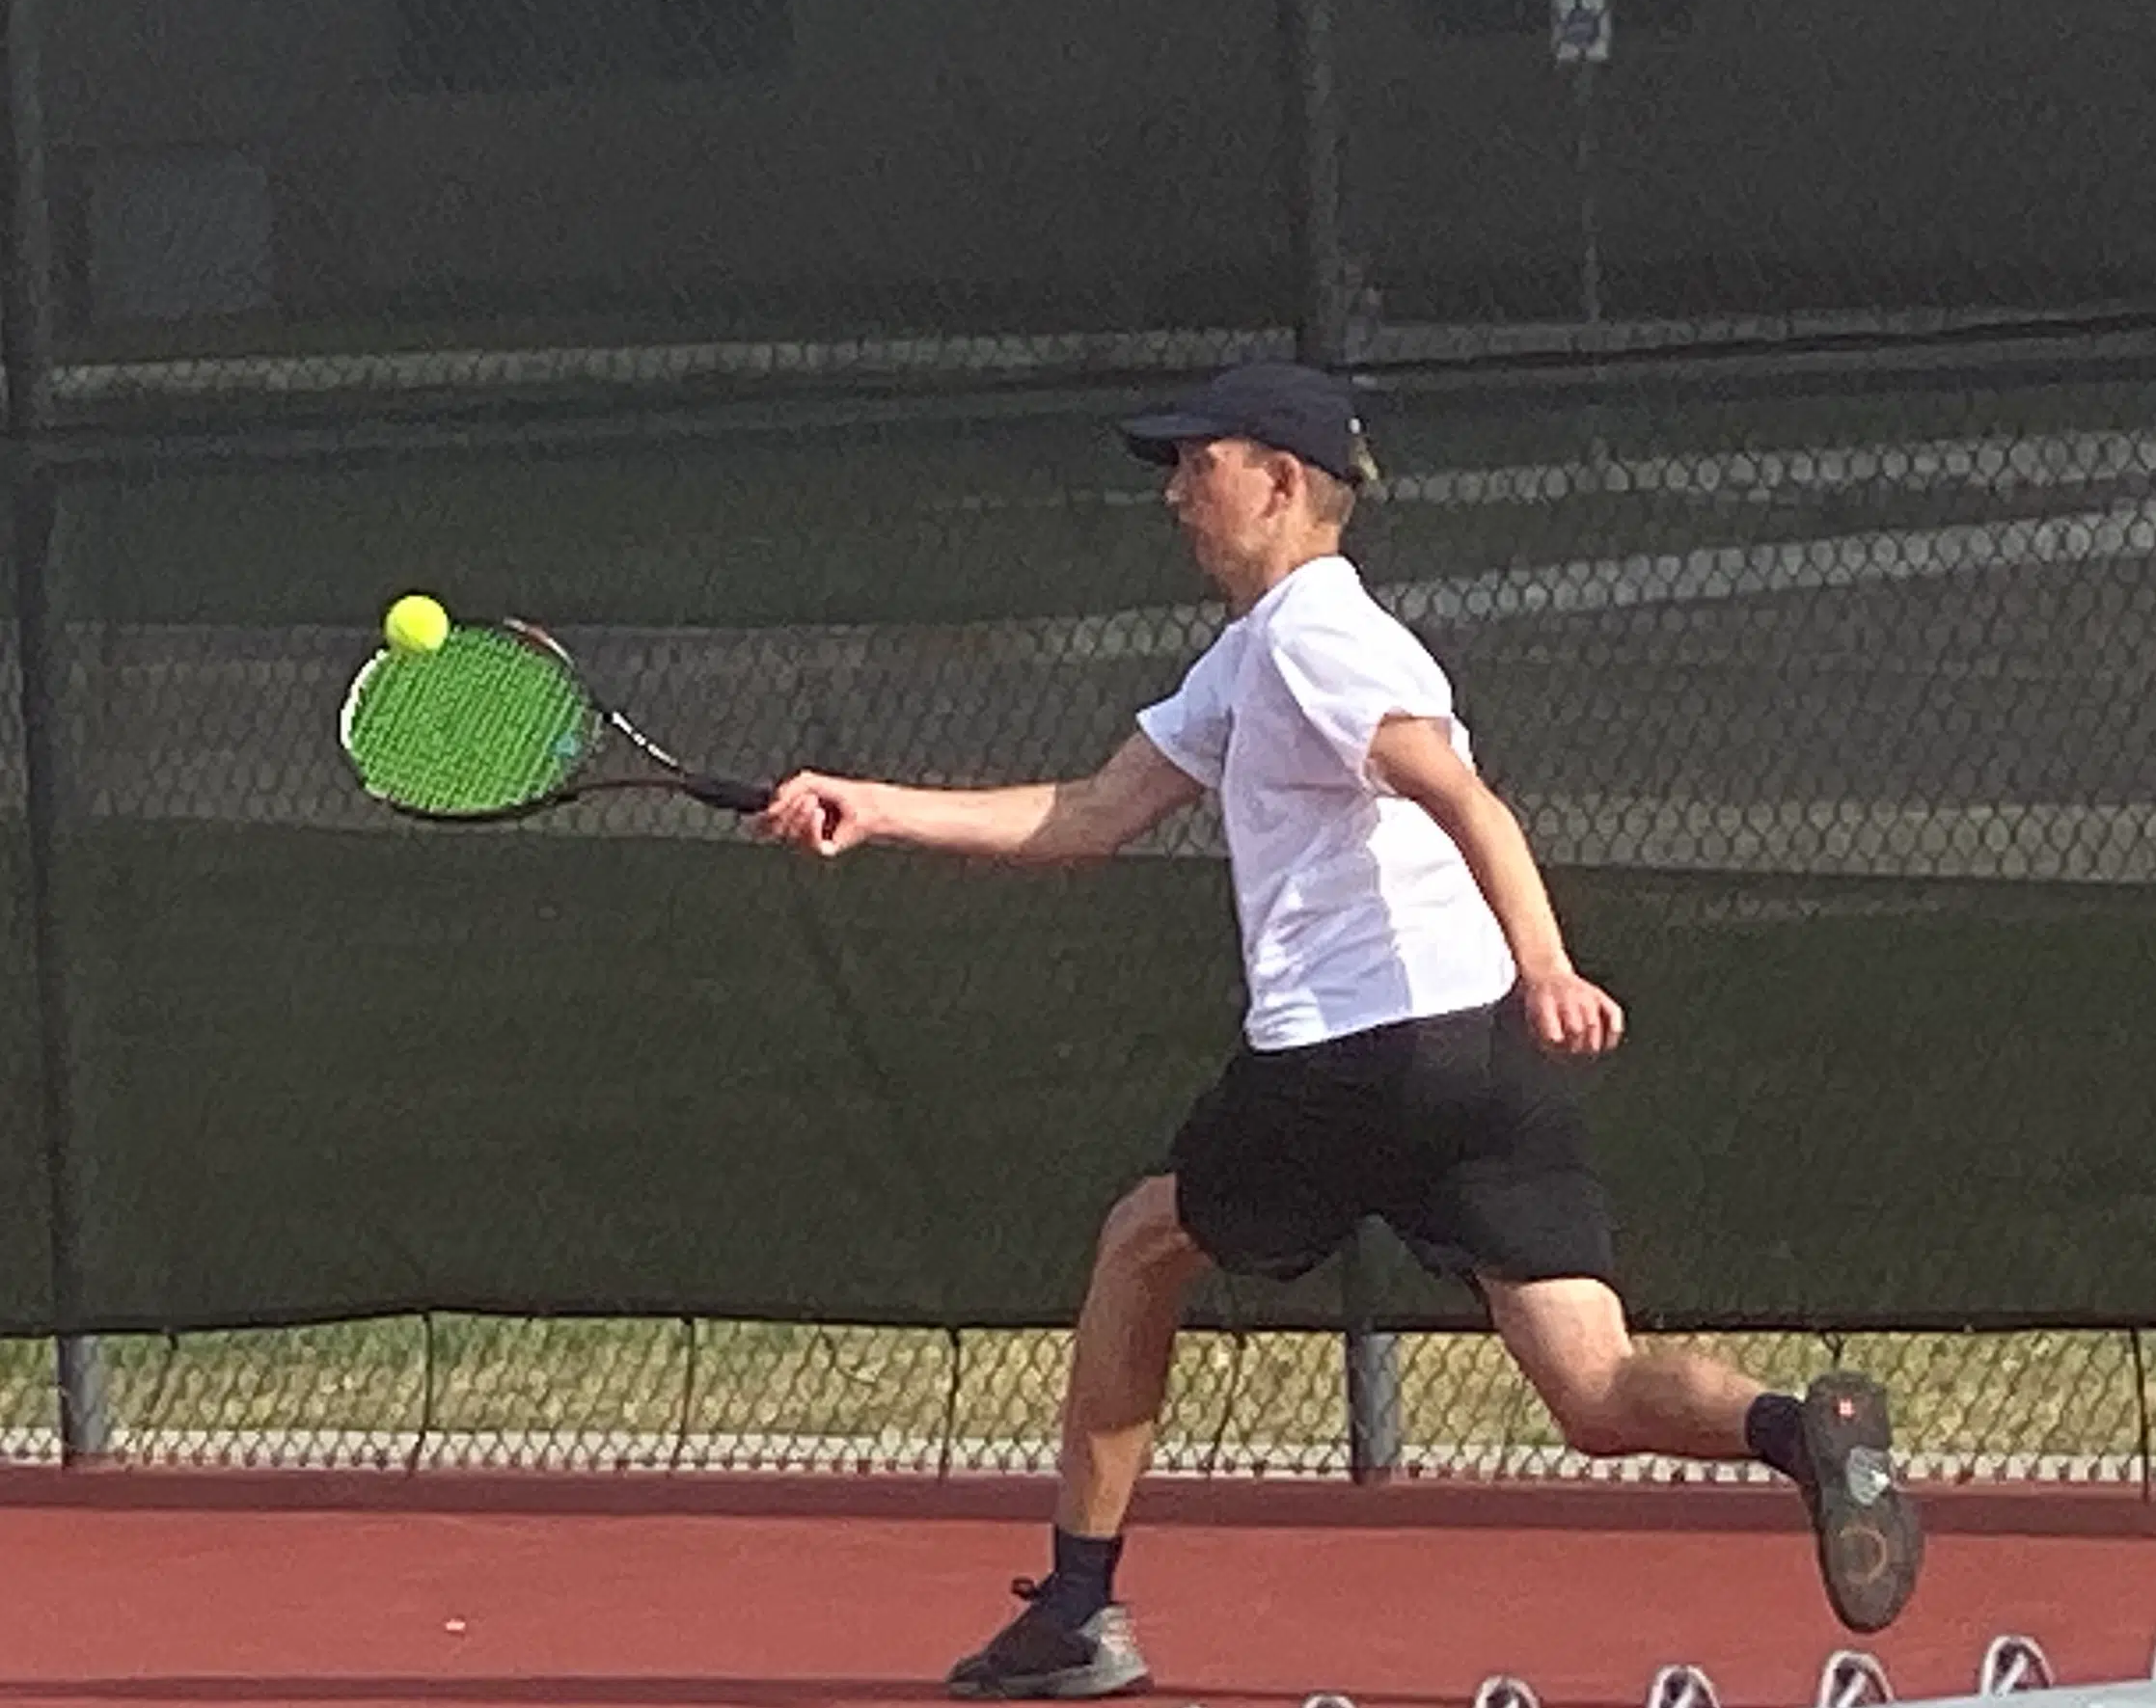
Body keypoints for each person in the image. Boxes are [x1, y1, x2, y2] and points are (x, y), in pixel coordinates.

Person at [758, 362, 1924, 1698]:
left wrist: (1549, 961)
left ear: (1283, 483)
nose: (1178, 497)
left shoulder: (1320, 640)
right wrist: (872, 804)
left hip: (1355, 1050)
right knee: (1591, 1390)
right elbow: (1088, 814)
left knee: (1142, 1243)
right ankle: (1803, 1432)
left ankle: (1078, 1610)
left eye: (1200, 466)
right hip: (1479, 1059)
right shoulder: (1253, 656)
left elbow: (1460, 793)